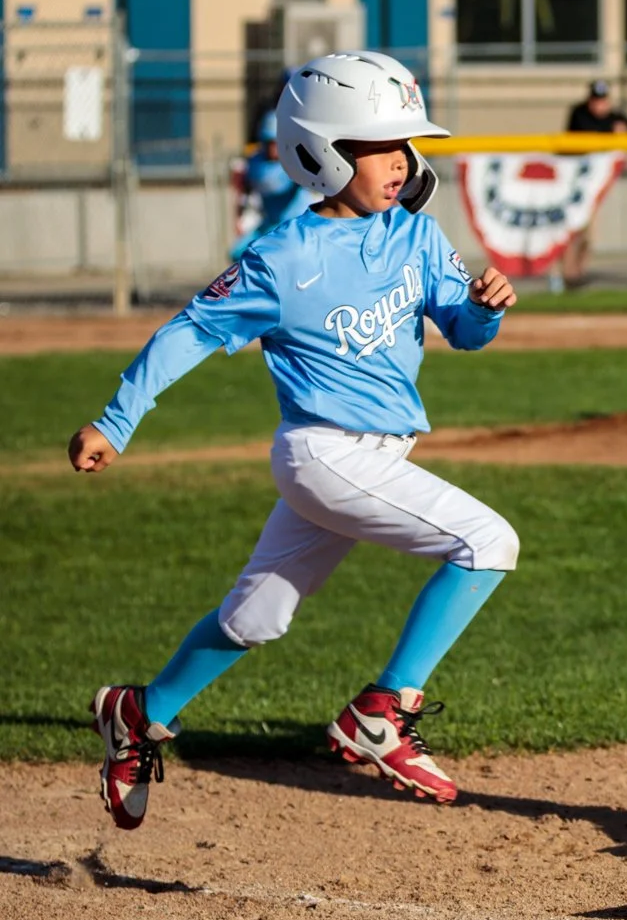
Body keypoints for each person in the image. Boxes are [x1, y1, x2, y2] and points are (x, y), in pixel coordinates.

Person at [71, 51, 520, 830]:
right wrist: (116, 421)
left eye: (405, 143)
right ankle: (383, 712)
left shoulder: (414, 236)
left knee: (256, 620)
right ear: (320, 151)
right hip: (323, 454)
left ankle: (138, 714)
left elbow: (466, 332)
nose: (401, 160)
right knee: (487, 541)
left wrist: (485, 307)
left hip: (372, 458)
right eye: (377, 145)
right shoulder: (282, 259)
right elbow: (189, 333)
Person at [558, 81, 627, 288]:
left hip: (593, 189)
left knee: (590, 236)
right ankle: (565, 275)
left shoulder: (614, 116)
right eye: (596, 100)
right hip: (572, 187)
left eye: (603, 100)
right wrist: (611, 133)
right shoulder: (579, 114)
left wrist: (623, 130)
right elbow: (583, 132)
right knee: (571, 232)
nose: (599, 104)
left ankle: (578, 274)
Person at [230, 110, 317, 260]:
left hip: (297, 224)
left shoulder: (295, 162)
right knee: (238, 253)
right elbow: (245, 191)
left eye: (276, 143)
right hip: (270, 224)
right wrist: (238, 218)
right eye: (268, 143)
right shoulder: (254, 162)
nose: (272, 149)